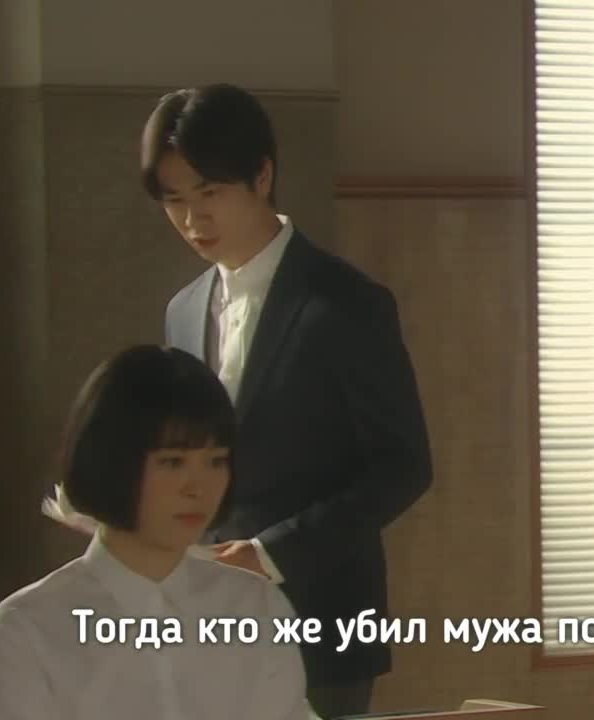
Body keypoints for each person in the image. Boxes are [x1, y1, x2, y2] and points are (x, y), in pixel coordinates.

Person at [141, 83, 433, 718]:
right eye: (175, 200)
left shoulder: (346, 303)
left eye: (209, 193)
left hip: (321, 621)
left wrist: (270, 554)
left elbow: (404, 466)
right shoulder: (183, 310)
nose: (193, 220)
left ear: (262, 176)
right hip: (207, 625)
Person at [0, 344, 310, 720]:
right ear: (112, 462)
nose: (198, 487)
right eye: (173, 462)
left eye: (216, 461)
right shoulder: (25, 631)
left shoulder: (257, 607)